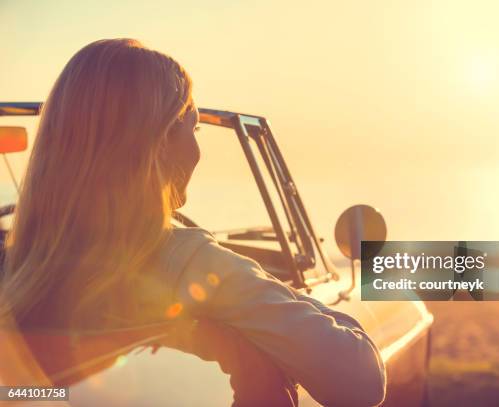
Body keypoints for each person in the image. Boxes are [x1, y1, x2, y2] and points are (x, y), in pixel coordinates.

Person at [0, 39, 386, 406]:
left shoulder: (15, 267)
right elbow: (362, 380)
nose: (198, 150)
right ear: (161, 140)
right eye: (194, 127)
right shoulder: (192, 263)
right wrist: (290, 298)